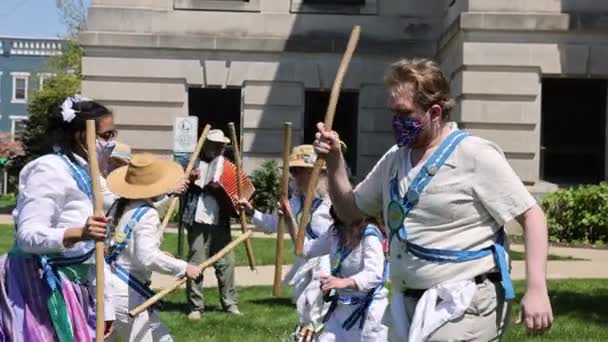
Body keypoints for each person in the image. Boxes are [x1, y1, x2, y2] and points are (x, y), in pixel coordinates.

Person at [314, 58, 553, 341]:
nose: (397, 122)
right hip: (408, 303)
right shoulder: (394, 159)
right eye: (394, 113)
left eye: (404, 113)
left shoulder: (474, 154)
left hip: (464, 301)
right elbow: (350, 211)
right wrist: (334, 162)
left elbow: (531, 216)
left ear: (435, 111)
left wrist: (537, 289)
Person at [0, 95, 116, 341]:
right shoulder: (48, 169)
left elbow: (94, 251)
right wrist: (78, 233)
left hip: (75, 288)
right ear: (80, 135)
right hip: (38, 289)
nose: (111, 143)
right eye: (106, 136)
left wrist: (106, 306)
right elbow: (28, 237)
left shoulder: (88, 175)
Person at [239, 144, 337, 337]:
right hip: (304, 263)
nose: (295, 176)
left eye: (300, 171)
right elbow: (273, 224)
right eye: (293, 171)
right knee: (305, 311)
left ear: (315, 172)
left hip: (329, 264)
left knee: (320, 315)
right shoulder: (294, 201)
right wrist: (251, 211)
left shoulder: (331, 201)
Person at [105, 153, 202, 341]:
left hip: (109, 288)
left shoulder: (119, 205)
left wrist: (162, 255)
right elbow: (147, 257)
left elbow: (123, 247)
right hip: (127, 293)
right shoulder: (147, 214)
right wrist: (184, 267)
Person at [303, 208, 389, 342]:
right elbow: (306, 250)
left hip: (368, 315)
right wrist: (289, 217)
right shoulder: (336, 232)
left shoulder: (370, 234)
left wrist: (343, 282)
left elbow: (374, 274)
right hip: (341, 310)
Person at [181, 129, 240, 320]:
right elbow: (177, 185)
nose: (217, 148)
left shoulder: (227, 164)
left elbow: (234, 189)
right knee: (196, 263)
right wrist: (189, 179)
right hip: (197, 220)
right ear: (205, 144)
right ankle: (196, 307)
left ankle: (230, 303)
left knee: (227, 263)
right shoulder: (190, 163)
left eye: (220, 145)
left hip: (220, 221)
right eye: (214, 144)